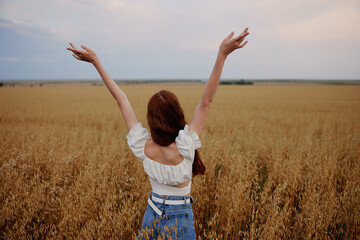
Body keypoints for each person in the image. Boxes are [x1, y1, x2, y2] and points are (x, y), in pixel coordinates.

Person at [67, 28, 249, 239]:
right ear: (177, 115)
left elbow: (121, 100)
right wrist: (222, 54)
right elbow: (206, 101)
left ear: (152, 121)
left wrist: (96, 62)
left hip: (152, 213)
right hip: (180, 217)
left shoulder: (143, 147)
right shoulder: (185, 146)